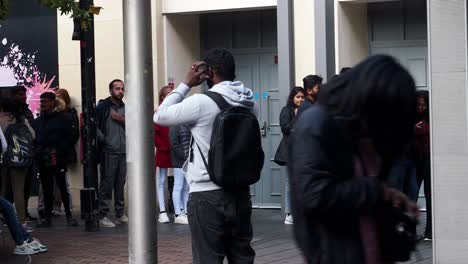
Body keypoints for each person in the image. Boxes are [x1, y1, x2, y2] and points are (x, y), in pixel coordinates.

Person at [288, 55, 419, 264]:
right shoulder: (316, 124)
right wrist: (378, 191)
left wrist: (390, 198)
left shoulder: (359, 129)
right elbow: (314, 194)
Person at [154, 48, 256, 264]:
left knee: (208, 259)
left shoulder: (202, 102)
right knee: (242, 258)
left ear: (209, 72)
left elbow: (160, 116)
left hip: (206, 195)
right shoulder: (249, 102)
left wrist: (185, 84)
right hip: (240, 194)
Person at [32, 92, 78, 228]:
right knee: (46, 189)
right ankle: (47, 217)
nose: (43, 104)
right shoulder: (38, 121)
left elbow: (70, 138)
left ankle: (69, 215)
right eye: (41, 102)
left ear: (53, 102)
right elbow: (36, 139)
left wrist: (58, 150)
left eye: (45, 101)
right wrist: (39, 151)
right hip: (43, 158)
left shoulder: (64, 118)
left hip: (59, 157)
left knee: (62, 186)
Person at [0, 88, 35, 222]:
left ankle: (4, 217)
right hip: (20, 157)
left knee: (3, 189)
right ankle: (21, 220)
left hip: (4, 158)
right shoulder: (21, 119)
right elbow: (33, 135)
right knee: (18, 190)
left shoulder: (2, 119)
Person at [96, 79, 127, 228]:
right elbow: (94, 126)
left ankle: (120, 213)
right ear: (110, 90)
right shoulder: (104, 106)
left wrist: (121, 119)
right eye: (117, 89)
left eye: (122, 89)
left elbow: (133, 124)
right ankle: (103, 214)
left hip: (123, 150)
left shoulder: (125, 107)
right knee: (107, 183)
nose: (120, 91)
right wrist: (105, 140)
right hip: (109, 151)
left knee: (120, 183)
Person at [273, 86, 305, 225]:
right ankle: (289, 213)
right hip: (291, 151)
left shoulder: (307, 110)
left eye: (302, 97)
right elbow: (285, 128)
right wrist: (297, 116)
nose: (300, 100)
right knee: (290, 183)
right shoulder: (286, 110)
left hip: (304, 151)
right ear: (293, 98)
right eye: (298, 97)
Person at [11, 86, 37, 222]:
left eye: (24, 94)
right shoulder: (12, 112)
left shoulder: (26, 111)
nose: (23, 97)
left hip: (27, 152)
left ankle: (24, 212)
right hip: (15, 153)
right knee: (15, 187)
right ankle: (17, 215)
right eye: (20, 94)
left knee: (25, 185)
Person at [155, 86, 174, 224]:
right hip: (164, 150)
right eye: (169, 95)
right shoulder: (159, 111)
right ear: (162, 97)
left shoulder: (177, 109)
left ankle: (179, 210)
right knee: (161, 180)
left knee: (181, 180)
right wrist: (162, 146)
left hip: (176, 150)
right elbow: (154, 132)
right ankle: (162, 211)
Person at [414, 90, 431, 241]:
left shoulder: (430, 118)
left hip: (428, 160)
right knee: (412, 194)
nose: (421, 107)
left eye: (423, 105)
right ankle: (411, 231)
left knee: (429, 195)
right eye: (418, 105)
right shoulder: (413, 118)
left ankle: (429, 232)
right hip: (416, 160)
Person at [169, 124, 191, 224]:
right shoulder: (174, 127)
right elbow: (174, 145)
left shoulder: (188, 125)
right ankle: (177, 214)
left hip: (187, 161)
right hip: (179, 161)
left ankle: (185, 212)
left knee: (186, 187)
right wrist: (184, 155)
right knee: (178, 186)